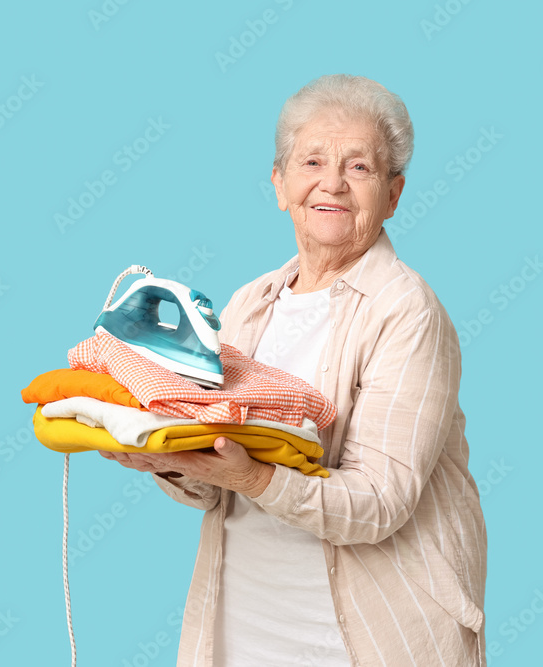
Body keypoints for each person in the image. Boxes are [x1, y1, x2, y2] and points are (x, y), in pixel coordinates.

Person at [98, 74, 487, 665]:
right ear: (280, 184)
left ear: (394, 194)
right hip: (244, 628)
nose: (332, 182)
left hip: (370, 639)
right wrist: (167, 460)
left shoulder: (407, 312)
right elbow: (214, 482)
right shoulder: (249, 304)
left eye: (360, 167)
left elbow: (380, 501)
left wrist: (255, 479)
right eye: (312, 161)